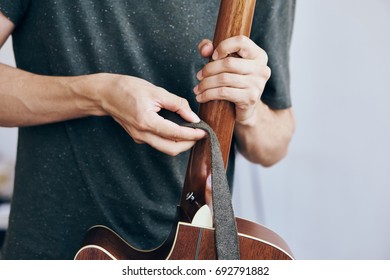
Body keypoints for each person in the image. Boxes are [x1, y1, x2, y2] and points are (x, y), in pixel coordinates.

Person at [0, 0, 295, 259]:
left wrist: (250, 111)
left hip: (189, 258)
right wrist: (98, 95)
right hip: (49, 253)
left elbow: (274, 145)